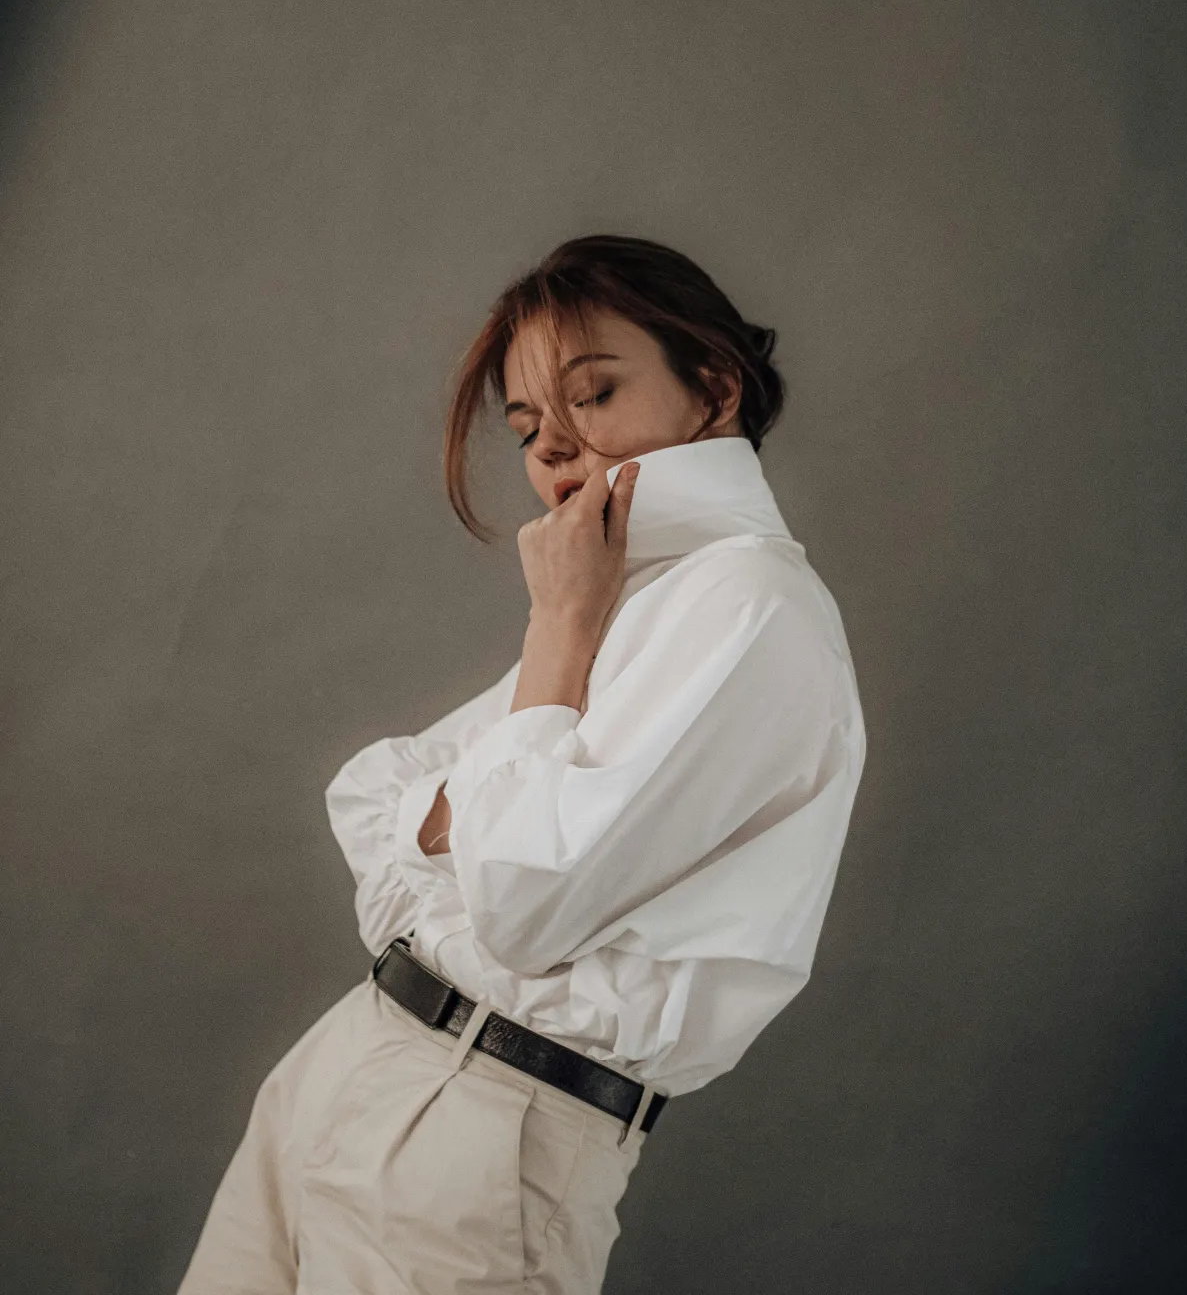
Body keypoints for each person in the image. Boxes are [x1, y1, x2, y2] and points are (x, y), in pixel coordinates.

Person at [175, 232, 866, 1295]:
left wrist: (555, 635)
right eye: (529, 426)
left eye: (593, 395)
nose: (555, 450)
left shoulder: (748, 605)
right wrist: (472, 818)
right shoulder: (636, 592)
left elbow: (522, 904)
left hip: (486, 1135)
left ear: (715, 387)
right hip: (346, 1066)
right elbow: (370, 797)